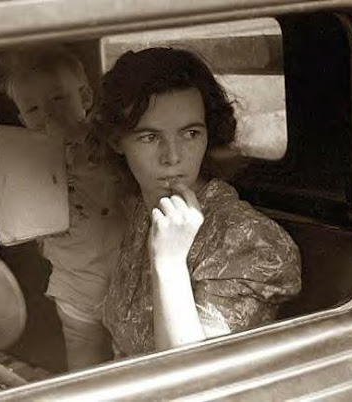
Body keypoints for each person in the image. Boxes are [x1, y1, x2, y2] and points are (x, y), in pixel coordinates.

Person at [92, 47, 302, 358]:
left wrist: (170, 263)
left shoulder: (249, 241)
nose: (172, 156)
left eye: (190, 133)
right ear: (116, 141)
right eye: (149, 137)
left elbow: (195, 383)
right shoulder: (143, 209)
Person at [0, 46, 127, 369]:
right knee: (84, 366)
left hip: (127, 281)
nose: (48, 116)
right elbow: (31, 225)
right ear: (21, 119)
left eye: (58, 100)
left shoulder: (109, 145)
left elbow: (115, 192)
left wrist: (78, 148)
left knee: (133, 360)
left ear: (84, 98)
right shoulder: (28, 161)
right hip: (73, 287)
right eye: (33, 109)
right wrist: (11, 216)